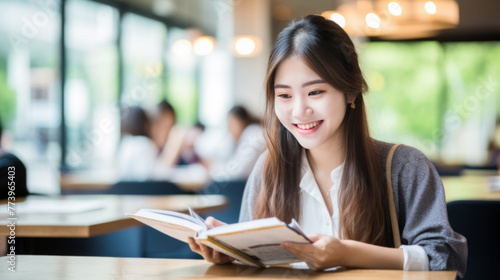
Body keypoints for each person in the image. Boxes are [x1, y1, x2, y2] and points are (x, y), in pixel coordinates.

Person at [187, 15, 467, 278]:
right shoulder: (267, 170)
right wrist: (233, 253)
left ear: (351, 90)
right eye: (284, 95)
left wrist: (348, 253)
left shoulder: (404, 167)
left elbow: (446, 260)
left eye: (315, 92)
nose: (299, 111)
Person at [116, 106, 157, 181]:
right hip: (142, 190)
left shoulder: (126, 143)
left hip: (125, 190)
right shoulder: (146, 144)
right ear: (145, 124)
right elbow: (149, 175)